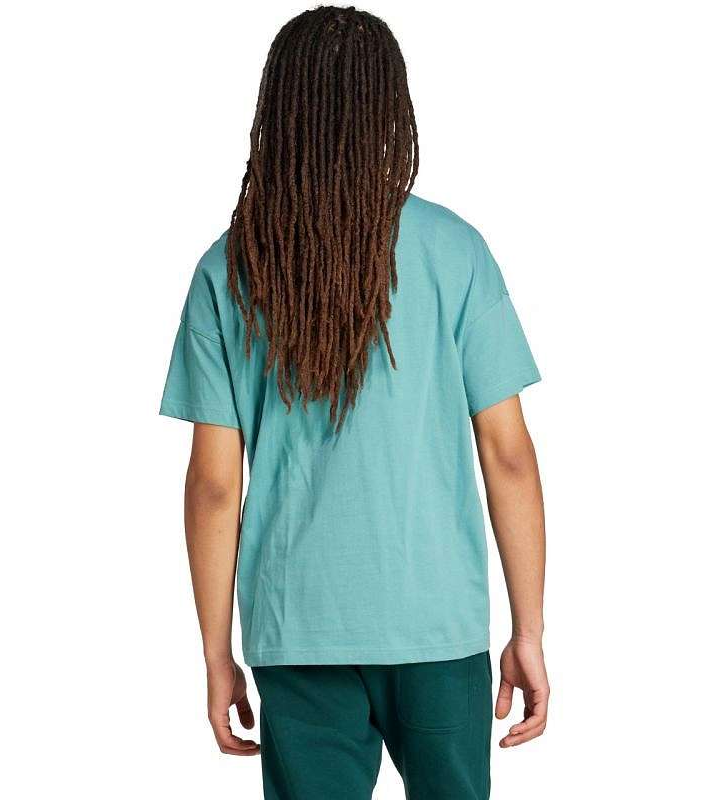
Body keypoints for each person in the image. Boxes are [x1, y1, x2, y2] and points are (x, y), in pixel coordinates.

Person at [158, 5, 548, 798]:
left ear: (280, 108)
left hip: (297, 631)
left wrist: (215, 652)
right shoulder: (455, 250)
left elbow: (214, 484)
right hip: (437, 627)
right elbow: (507, 454)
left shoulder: (231, 267)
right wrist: (529, 630)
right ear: (389, 108)